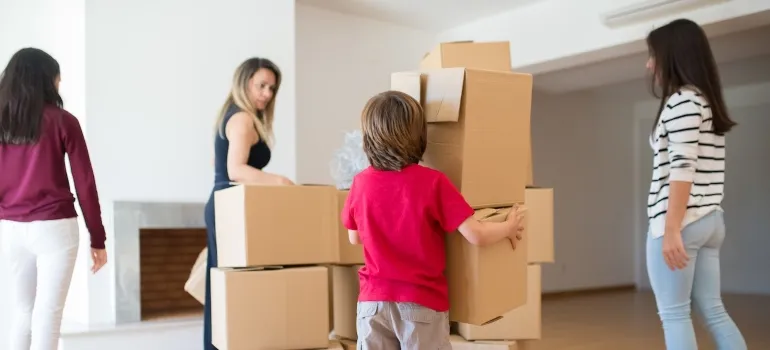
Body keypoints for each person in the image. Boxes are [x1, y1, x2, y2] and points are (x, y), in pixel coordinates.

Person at [341, 90, 526, 350]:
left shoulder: (360, 183)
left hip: (372, 305)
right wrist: (508, 227)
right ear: (419, 137)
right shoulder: (433, 182)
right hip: (420, 303)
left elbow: (354, 237)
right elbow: (477, 234)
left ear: (369, 138)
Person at [644, 19, 747, 350]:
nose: (649, 64)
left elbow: (682, 168)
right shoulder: (704, 101)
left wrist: (672, 228)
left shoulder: (682, 102)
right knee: (714, 312)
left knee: (674, 315)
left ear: (672, 54)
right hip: (709, 220)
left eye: (653, 54)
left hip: (683, 222)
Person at [0, 48, 108, 350]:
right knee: (48, 314)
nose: (59, 86)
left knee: (22, 313)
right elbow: (85, 183)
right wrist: (97, 239)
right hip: (54, 228)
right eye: (57, 80)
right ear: (45, 81)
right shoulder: (63, 121)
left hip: (10, 228)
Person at [203, 57, 291, 350]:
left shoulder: (233, 115)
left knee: (227, 288)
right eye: (261, 85)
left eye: (272, 88)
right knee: (231, 290)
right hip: (228, 209)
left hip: (226, 205)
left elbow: (219, 164)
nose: (267, 93)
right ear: (245, 83)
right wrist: (280, 182)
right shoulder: (241, 118)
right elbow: (234, 170)